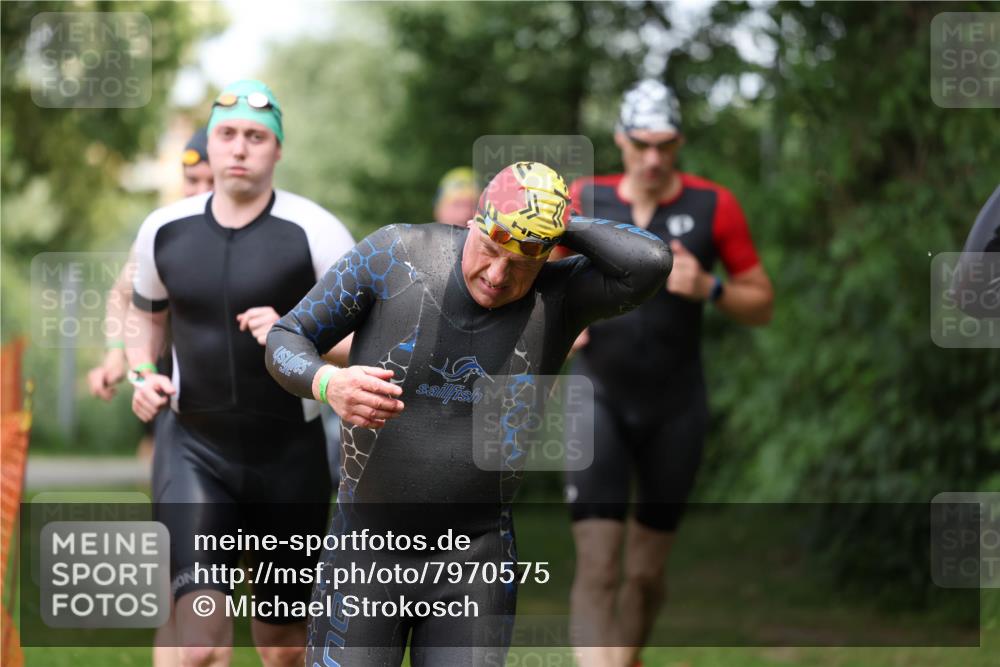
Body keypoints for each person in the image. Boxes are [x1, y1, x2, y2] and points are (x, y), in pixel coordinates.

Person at [264, 161, 673, 666]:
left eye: (522, 261)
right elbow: (285, 337)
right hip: (365, 548)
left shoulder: (560, 295)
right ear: (475, 222)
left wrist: (550, 218)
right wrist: (328, 383)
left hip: (475, 558)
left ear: (546, 255)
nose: (498, 275)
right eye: (491, 250)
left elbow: (651, 262)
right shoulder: (398, 254)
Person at [126, 80, 354, 667]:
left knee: (283, 649)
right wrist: (141, 374)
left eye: (256, 136)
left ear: (277, 150)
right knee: (200, 644)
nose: (240, 148)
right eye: (228, 134)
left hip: (290, 457)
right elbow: (141, 315)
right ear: (212, 141)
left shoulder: (317, 232)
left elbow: (369, 347)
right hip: (193, 450)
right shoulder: (164, 229)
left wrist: (295, 329)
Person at [562, 79, 774, 667]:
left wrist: (710, 286)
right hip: (597, 397)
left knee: (645, 575)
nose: (653, 158)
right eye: (641, 144)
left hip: (676, 406)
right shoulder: (586, 198)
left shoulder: (714, 206)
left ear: (679, 142)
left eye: (666, 145)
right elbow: (536, 279)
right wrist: (560, 321)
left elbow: (762, 302)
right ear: (621, 140)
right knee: (599, 565)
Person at [85, 126, 213, 667]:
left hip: (260, 430)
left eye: (208, 179)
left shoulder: (268, 229)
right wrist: (118, 355)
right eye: (191, 179)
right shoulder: (164, 230)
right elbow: (122, 294)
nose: (200, 189)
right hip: (173, 410)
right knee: (177, 568)